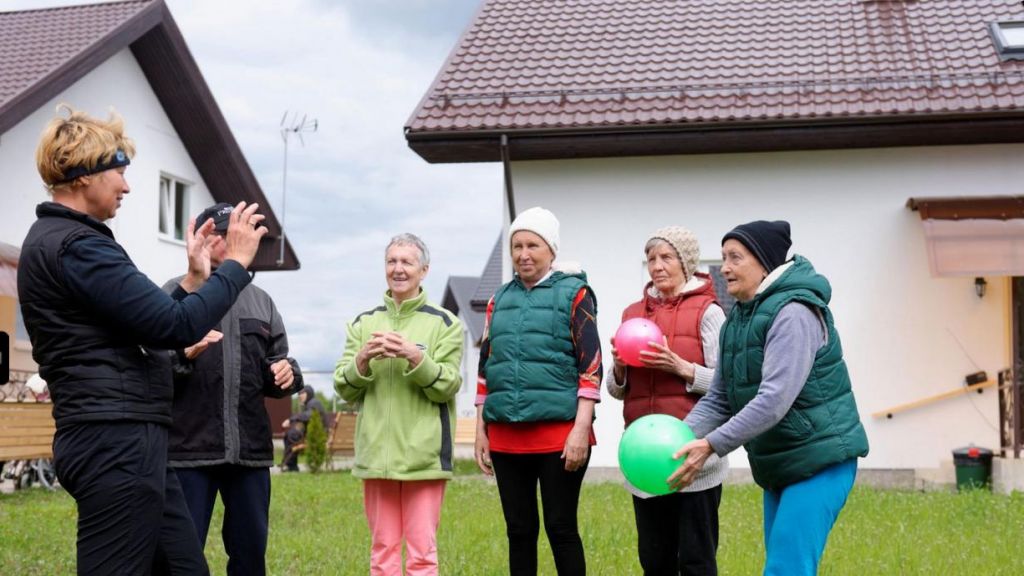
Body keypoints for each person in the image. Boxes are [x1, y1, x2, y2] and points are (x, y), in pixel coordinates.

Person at [18, 104, 267, 575]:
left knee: (185, 568)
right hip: (114, 440)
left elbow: (144, 317)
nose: (127, 186)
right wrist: (234, 265)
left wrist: (194, 280)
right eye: (119, 172)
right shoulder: (78, 246)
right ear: (85, 174)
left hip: (132, 438)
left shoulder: (71, 243)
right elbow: (173, 326)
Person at [669, 220, 870, 576]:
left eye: (735, 257)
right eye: (724, 257)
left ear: (765, 263)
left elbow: (774, 400)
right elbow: (719, 399)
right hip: (781, 462)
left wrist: (711, 445)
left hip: (821, 459)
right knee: (783, 566)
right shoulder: (738, 321)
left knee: (786, 569)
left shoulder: (793, 314)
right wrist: (676, 441)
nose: (725, 267)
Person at [163, 202, 303, 576]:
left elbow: (279, 363)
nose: (228, 242)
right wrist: (182, 355)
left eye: (232, 235)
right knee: (181, 560)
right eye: (220, 235)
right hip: (189, 452)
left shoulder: (262, 302)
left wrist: (287, 373)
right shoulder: (176, 292)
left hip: (250, 455)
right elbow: (149, 367)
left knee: (250, 557)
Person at [475, 207, 602, 576]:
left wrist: (582, 428)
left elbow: (590, 366)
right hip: (505, 437)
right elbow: (487, 367)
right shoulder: (498, 299)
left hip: (560, 435)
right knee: (519, 531)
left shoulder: (575, 294)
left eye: (533, 245)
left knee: (561, 529)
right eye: (517, 246)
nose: (523, 254)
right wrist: (482, 430)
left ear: (552, 251)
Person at [334, 233, 463, 576]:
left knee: (422, 555)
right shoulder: (363, 324)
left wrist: (415, 357)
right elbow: (343, 388)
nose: (398, 269)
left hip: (423, 456)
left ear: (424, 270)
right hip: (376, 456)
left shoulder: (445, 324)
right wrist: (361, 360)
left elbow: (449, 384)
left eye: (407, 262)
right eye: (391, 261)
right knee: (382, 553)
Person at [605, 226, 728, 576]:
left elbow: (726, 385)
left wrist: (683, 368)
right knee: (654, 562)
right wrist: (618, 367)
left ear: (686, 262)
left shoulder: (709, 312)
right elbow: (618, 392)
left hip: (694, 459)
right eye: (650, 259)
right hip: (645, 457)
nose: (656, 266)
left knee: (696, 561)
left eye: (666, 257)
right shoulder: (633, 315)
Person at [280, 384, 329, 472]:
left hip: (318, 436)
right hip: (314, 435)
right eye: (299, 394)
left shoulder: (314, 403)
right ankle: (289, 464)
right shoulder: (310, 404)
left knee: (292, 436)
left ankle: (291, 465)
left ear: (309, 393)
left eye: (302, 393)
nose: (300, 396)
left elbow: (308, 416)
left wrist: (290, 420)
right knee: (291, 434)